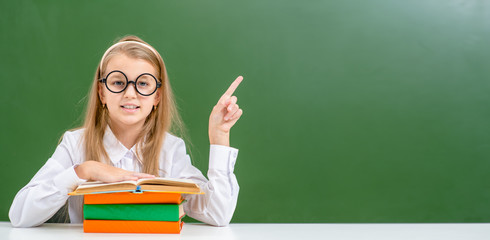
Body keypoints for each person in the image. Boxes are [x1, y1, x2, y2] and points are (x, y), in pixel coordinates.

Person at [9, 35, 243, 227]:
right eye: (119, 82)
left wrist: (219, 136)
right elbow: (20, 215)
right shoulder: (76, 144)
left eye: (143, 83)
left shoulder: (170, 149)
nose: (130, 93)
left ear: (157, 96)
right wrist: (84, 170)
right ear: (102, 93)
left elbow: (218, 214)